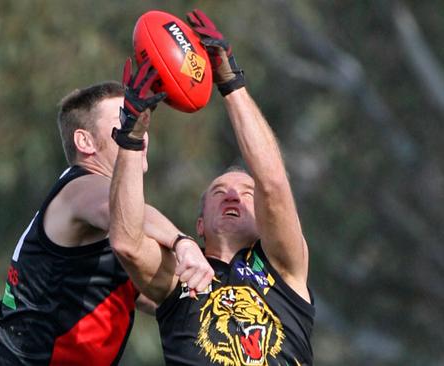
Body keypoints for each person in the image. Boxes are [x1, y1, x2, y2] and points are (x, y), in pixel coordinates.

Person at [109, 9, 314, 365]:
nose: (233, 194)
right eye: (219, 192)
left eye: (246, 195)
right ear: (199, 224)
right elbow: (126, 242)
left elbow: (274, 183)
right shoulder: (179, 275)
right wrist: (129, 138)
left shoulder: (283, 267)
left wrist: (231, 83)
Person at [0, 66, 214, 366]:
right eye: (124, 121)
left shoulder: (100, 225)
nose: (139, 132)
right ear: (84, 142)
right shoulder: (81, 188)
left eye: (139, 122)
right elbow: (121, 213)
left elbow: (145, 292)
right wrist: (182, 242)